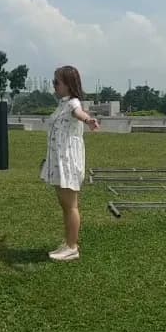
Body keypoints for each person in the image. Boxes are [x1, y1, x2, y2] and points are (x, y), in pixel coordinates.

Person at [40, 65, 100, 261]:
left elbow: (79, 113)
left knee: (70, 205)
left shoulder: (73, 103)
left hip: (67, 162)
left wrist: (88, 120)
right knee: (65, 205)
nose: (54, 86)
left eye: (57, 82)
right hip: (59, 161)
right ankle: (68, 242)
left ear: (68, 84)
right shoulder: (63, 104)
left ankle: (72, 247)